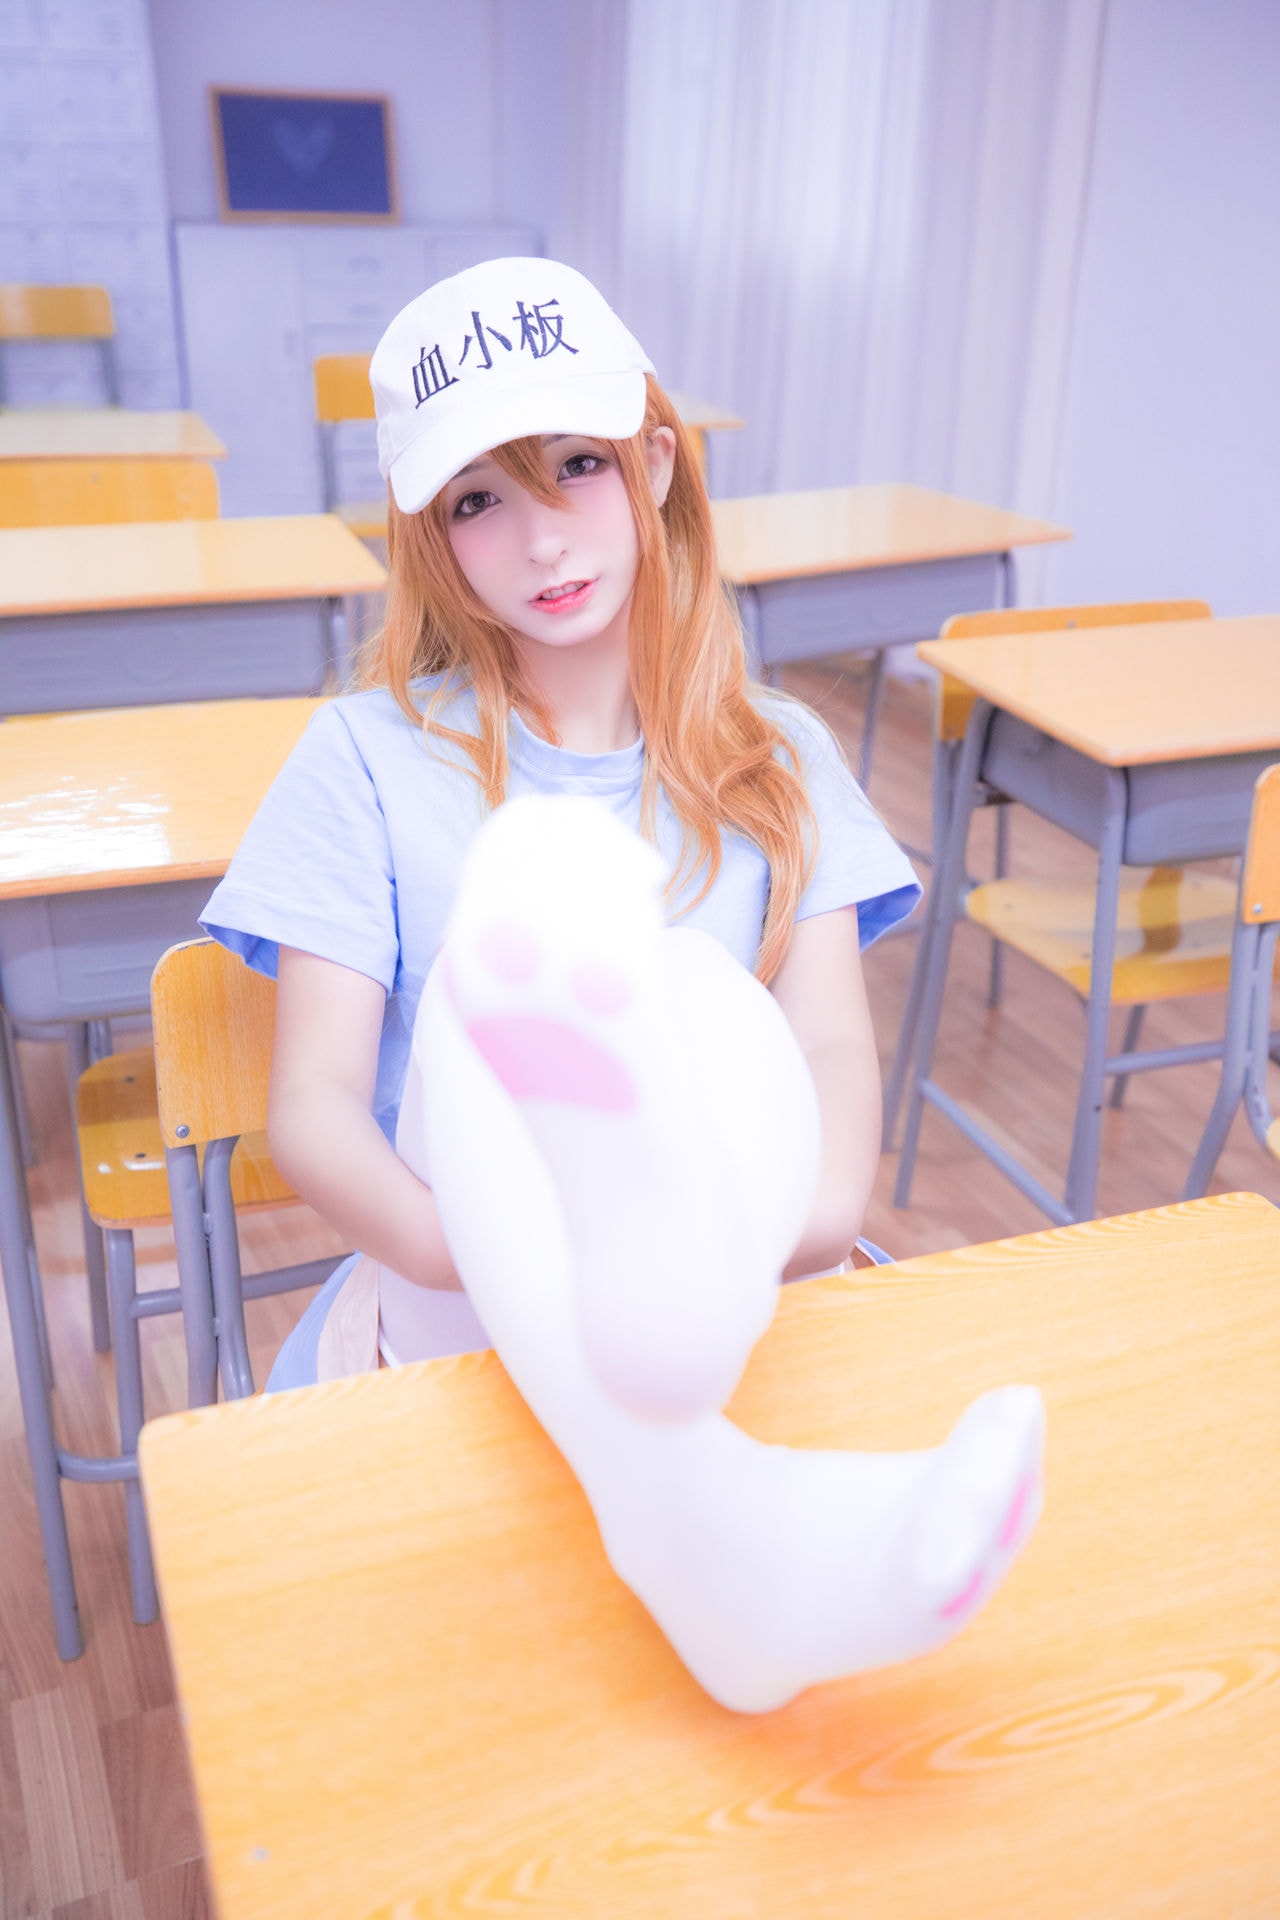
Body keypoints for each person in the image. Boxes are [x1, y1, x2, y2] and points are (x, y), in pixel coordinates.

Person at [200, 257, 920, 1389]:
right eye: (476, 501)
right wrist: (488, 1259)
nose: (540, 541)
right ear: (430, 538)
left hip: (747, 1292)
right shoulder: (362, 759)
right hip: (461, 1318)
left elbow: (828, 1044)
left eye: (577, 466)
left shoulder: (781, 756)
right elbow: (315, 1105)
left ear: (655, 461)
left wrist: (806, 1227)